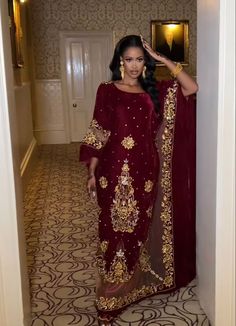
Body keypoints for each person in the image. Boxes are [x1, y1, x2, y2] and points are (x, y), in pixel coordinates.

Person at [79, 35, 198, 325]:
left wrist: (162, 59)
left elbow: (191, 87)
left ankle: (128, 282)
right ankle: (112, 285)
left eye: (140, 59)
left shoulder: (154, 91)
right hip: (111, 170)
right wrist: (92, 171)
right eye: (129, 59)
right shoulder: (106, 90)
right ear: (120, 60)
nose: (134, 65)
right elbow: (99, 132)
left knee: (136, 226)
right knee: (111, 227)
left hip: (144, 172)